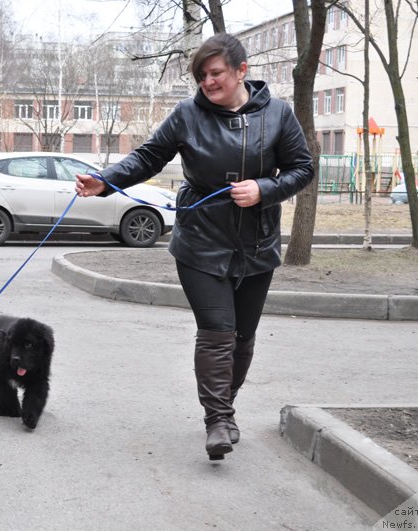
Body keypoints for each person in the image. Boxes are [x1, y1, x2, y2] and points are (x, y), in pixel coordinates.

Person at [75, 34, 314, 460]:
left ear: (241, 71)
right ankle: (217, 420)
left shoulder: (278, 114)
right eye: (202, 75)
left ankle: (226, 407)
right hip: (200, 243)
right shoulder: (187, 114)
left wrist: (265, 189)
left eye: (216, 73)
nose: (207, 81)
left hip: (257, 245)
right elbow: (148, 156)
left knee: (243, 339)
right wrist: (106, 180)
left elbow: (302, 168)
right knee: (217, 333)